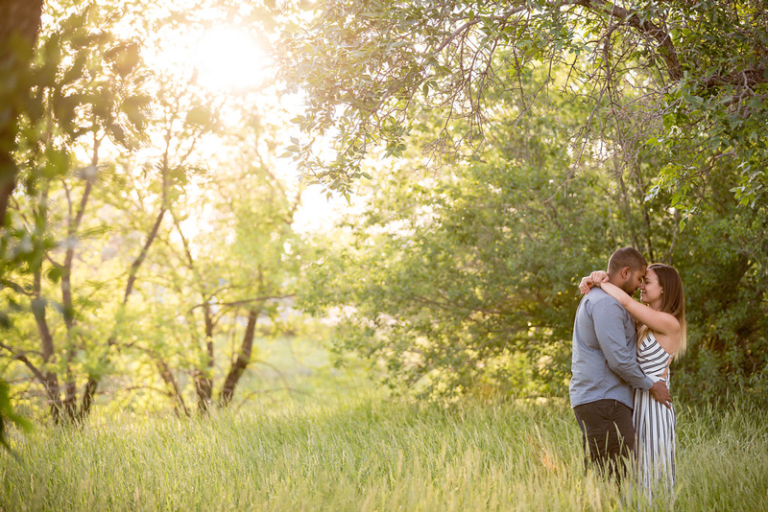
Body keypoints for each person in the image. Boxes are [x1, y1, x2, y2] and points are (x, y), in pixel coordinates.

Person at [579, 262, 686, 500]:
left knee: (654, 473)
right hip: (636, 400)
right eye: (641, 280)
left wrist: (601, 282)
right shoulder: (644, 323)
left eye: (647, 282)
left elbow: (625, 301)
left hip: (655, 406)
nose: (641, 286)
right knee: (634, 474)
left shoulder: (669, 322)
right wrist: (596, 276)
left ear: (664, 289)